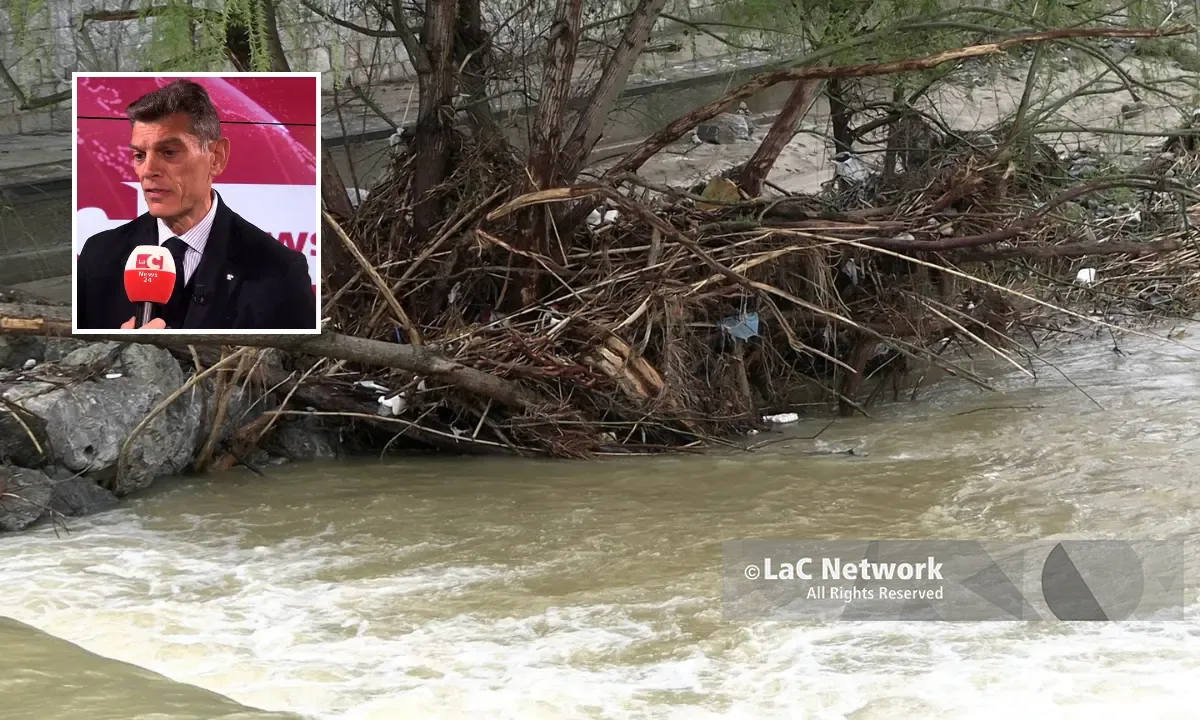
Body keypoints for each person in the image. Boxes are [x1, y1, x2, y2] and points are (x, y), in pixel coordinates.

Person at [75, 79, 316, 331]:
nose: (148, 171)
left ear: (216, 158)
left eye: (169, 152)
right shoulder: (99, 256)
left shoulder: (278, 271)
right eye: (139, 156)